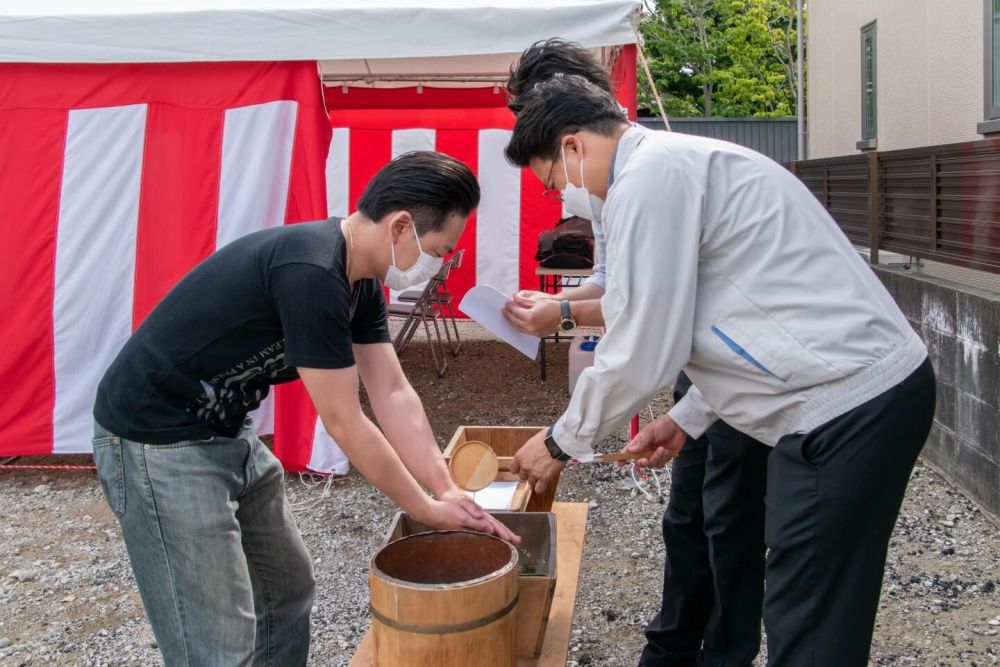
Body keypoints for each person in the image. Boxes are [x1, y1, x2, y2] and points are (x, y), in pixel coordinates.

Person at [505, 76, 935, 666]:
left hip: (845, 406)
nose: (564, 197)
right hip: (834, 399)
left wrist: (560, 442)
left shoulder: (648, 179)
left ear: (573, 147)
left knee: (807, 617)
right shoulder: (670, 166)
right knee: (802, 601)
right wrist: (687, 417)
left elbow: (642, 341)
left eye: (554, 181)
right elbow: (730, 313)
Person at [91, 151, 519, 666]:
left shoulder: (360, 283)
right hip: (157, 437)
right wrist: (424, 507)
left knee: (284, 593)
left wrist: (446, 486)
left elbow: (392, 392)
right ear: (401, 226)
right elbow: (344, 419)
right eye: (440, 250)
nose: (443, 263)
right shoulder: (312, 270)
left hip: (224, 429)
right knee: (216, 637)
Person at [503, 39, 771, 666]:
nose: (552, 186)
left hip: (742, 365)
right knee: (687, 517)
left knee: (731, 523)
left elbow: (646, 319)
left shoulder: (648, 172)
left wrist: (562, 439)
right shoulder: (614, 174)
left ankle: (723, 653)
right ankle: (673, 645)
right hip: (705, 365)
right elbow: (623, 288)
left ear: (572, 122)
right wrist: (564, 309)